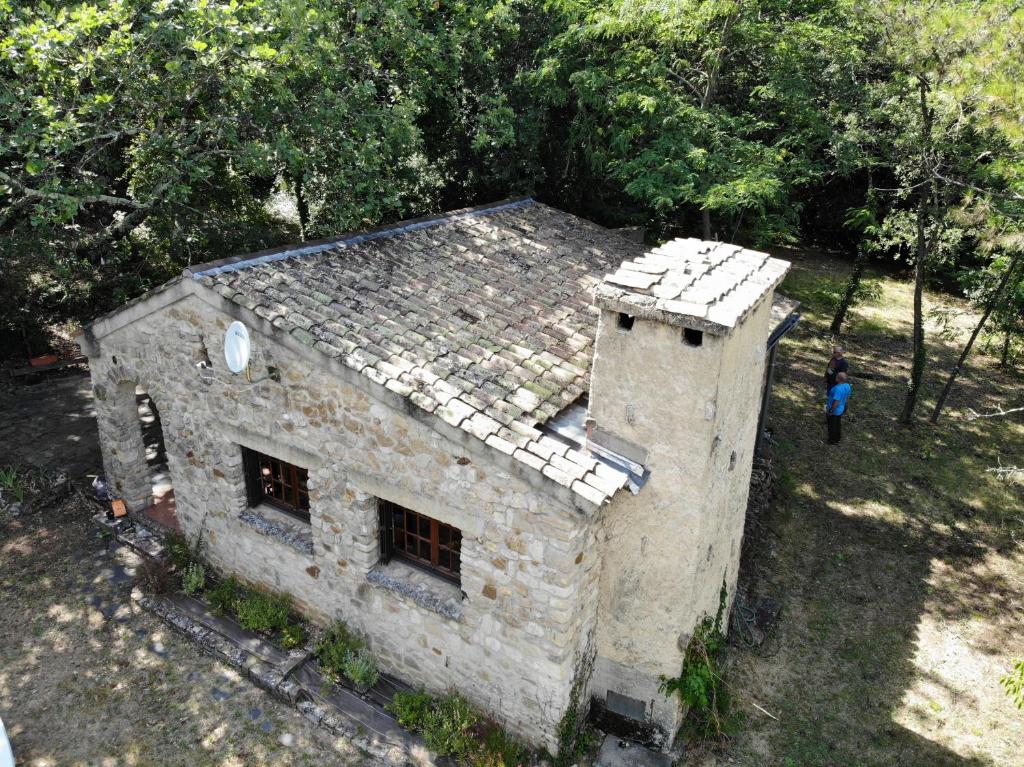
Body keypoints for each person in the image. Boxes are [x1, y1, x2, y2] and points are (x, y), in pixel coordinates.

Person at [825, 371, 852, 445]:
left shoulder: (837, 389)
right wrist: (846, 406)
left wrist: (831, 410)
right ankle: (838, 438)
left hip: (835, 410)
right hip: (841, 408)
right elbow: (847, 397)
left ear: (838, 379)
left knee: (832, 425)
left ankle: (832, 440)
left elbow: (836, 401)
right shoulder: (847, 386)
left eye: (836, 376)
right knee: (837, 424)